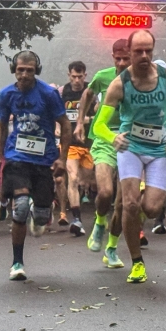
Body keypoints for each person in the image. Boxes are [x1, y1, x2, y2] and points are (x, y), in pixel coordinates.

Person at [93, 30, 166, 283]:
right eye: (138, 51)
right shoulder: (119, 84)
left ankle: (127, 227)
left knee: (152, 207)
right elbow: (98, 126)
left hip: (161, 150)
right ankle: (137, 263)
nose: (144, 56)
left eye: (148, 51)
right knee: (130, 203)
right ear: (130, 52)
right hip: (131, 148)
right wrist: (112, 137)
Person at [0, 51, 71, 281]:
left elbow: (65, 125)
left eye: (29, 70)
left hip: (44, 159)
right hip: (17, 156)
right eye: (20, 70)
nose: (24, 74)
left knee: (40, 215)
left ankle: (43, 212)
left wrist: (62, 159)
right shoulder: (6, 94)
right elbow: (2, 126)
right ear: (13, 70)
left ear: (36, 70)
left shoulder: (48, 93)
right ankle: (17, 262)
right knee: (22, 206)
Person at [74, 39, 130, 268]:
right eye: (119, 58)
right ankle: (99, 223)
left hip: (130, 141)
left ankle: (112, 248)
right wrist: (80, 122)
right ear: (113, 57)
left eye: (127, 58)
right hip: (105, 138)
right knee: (105, 192)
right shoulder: (104, 76)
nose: (123, 62)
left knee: (125, 202)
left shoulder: (142, 80)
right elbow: (87, 94)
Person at [61, 60, 96, 235]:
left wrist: (84, 120)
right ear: (69, 75)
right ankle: (76, 219)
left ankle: (99, 215)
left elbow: (99, 116)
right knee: (73, 179)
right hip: (70, 144)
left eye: (79, 77)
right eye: (73, 76)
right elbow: (58, 117)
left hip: (89, 143)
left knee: (87, 182)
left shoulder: (91, 92)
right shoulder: (63, 92)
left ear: (85, 75)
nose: (76, 80)